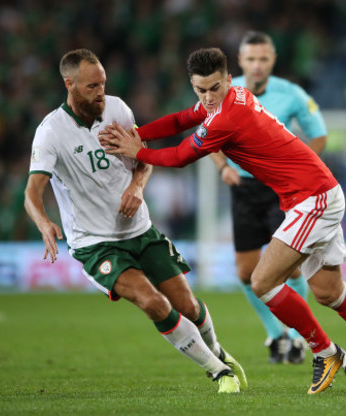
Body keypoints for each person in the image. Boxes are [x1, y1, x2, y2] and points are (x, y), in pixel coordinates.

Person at [99, 47, 346, 394]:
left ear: (228, 79)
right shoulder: (230, 97)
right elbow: (179, 120)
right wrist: (139, 133)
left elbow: (179, 156)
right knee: (329, 293)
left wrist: (136, 151)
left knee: (262, 282)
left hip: (313, 199)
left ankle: (325, 352)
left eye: (214, 88)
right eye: (200, 90)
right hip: (315, 193)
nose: (207, 97)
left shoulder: (227, 117)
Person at [23, 49, 247, 393]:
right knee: (153, 302)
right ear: (69, 84)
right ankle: (220, 372)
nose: (100, 92)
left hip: (140, 229)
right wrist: (43, 222)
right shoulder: (51, 133)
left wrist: (137, 187)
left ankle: (217, 352)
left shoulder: (117, 109)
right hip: (95, 243)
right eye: (91, 86)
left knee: (187, 304)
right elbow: (32, 193)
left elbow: (143, 157)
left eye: (103, 83)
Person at [208, 31, 327, 365]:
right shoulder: (224, 92)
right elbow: (205, 135)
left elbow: (319, 135)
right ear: (240, 62)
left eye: (263, 59)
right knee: (246, 272)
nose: (257, 65)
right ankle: (275, 335)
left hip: (280, 190)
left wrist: (297, 171)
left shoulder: (291, 94)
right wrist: (222, 168)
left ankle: (299, 338)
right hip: (242, 189)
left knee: (288, 268)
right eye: (251, 59)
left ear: (272, 60)